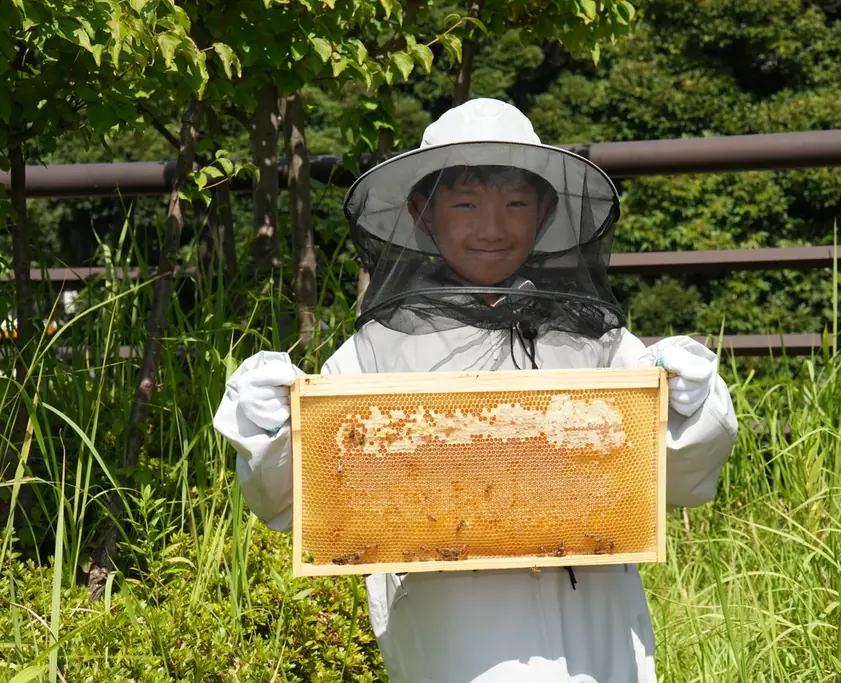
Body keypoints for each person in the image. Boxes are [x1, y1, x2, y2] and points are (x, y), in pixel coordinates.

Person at [213, 98, 737, 683]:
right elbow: (288, 497)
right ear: (423, 211)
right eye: (465, 204)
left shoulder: (591, 339)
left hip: (594, 614)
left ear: (543, 213)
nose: (492, 227)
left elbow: (681, 475)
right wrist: (269, 425)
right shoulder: (379, 351)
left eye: (515, 203)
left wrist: (693, 403)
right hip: (452, 625)